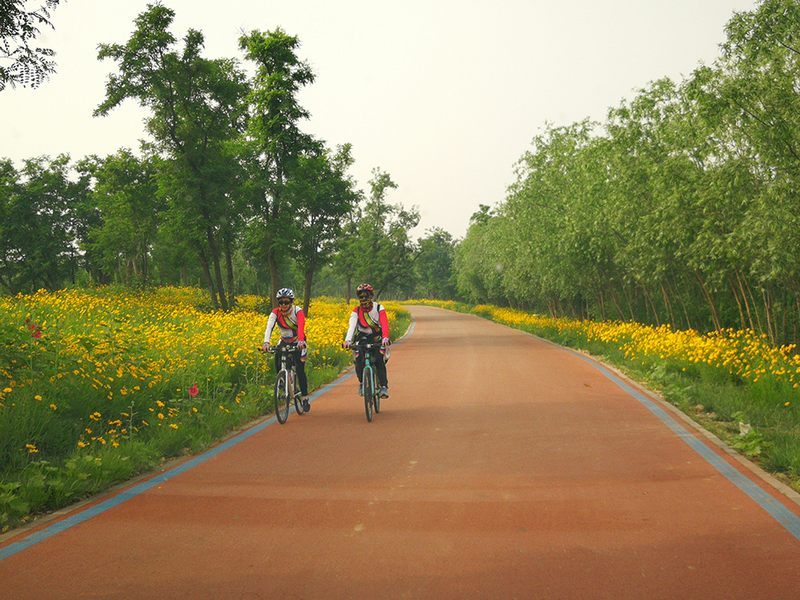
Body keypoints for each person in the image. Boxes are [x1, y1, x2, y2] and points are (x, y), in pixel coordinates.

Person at [262, 288, 310, 412]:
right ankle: (282, 380)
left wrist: (300, 341)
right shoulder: (275, 313)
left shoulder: (297, 311)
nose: (283, 305)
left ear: (291, 302)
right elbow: (269, 327)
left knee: (300, 370)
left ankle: (304, 397)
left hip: (298, 341)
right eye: (281, 302)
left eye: (286, 302)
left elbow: (301, 326)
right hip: (284, 340)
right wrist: (266, 342)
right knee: (277, 360)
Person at [343, 283, 390, 398]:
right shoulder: (356, 311)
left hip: (377, 338)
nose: (364, 299)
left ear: (371, 296)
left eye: (366, 296)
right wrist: (348, 340)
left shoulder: (379, 308)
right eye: (361, 297)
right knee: (359, 360)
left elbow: (384, 323)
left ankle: (383, 386)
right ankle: (361, 382)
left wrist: (385, 337)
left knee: (379, 360)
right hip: (362, 338)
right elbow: (352, 326)